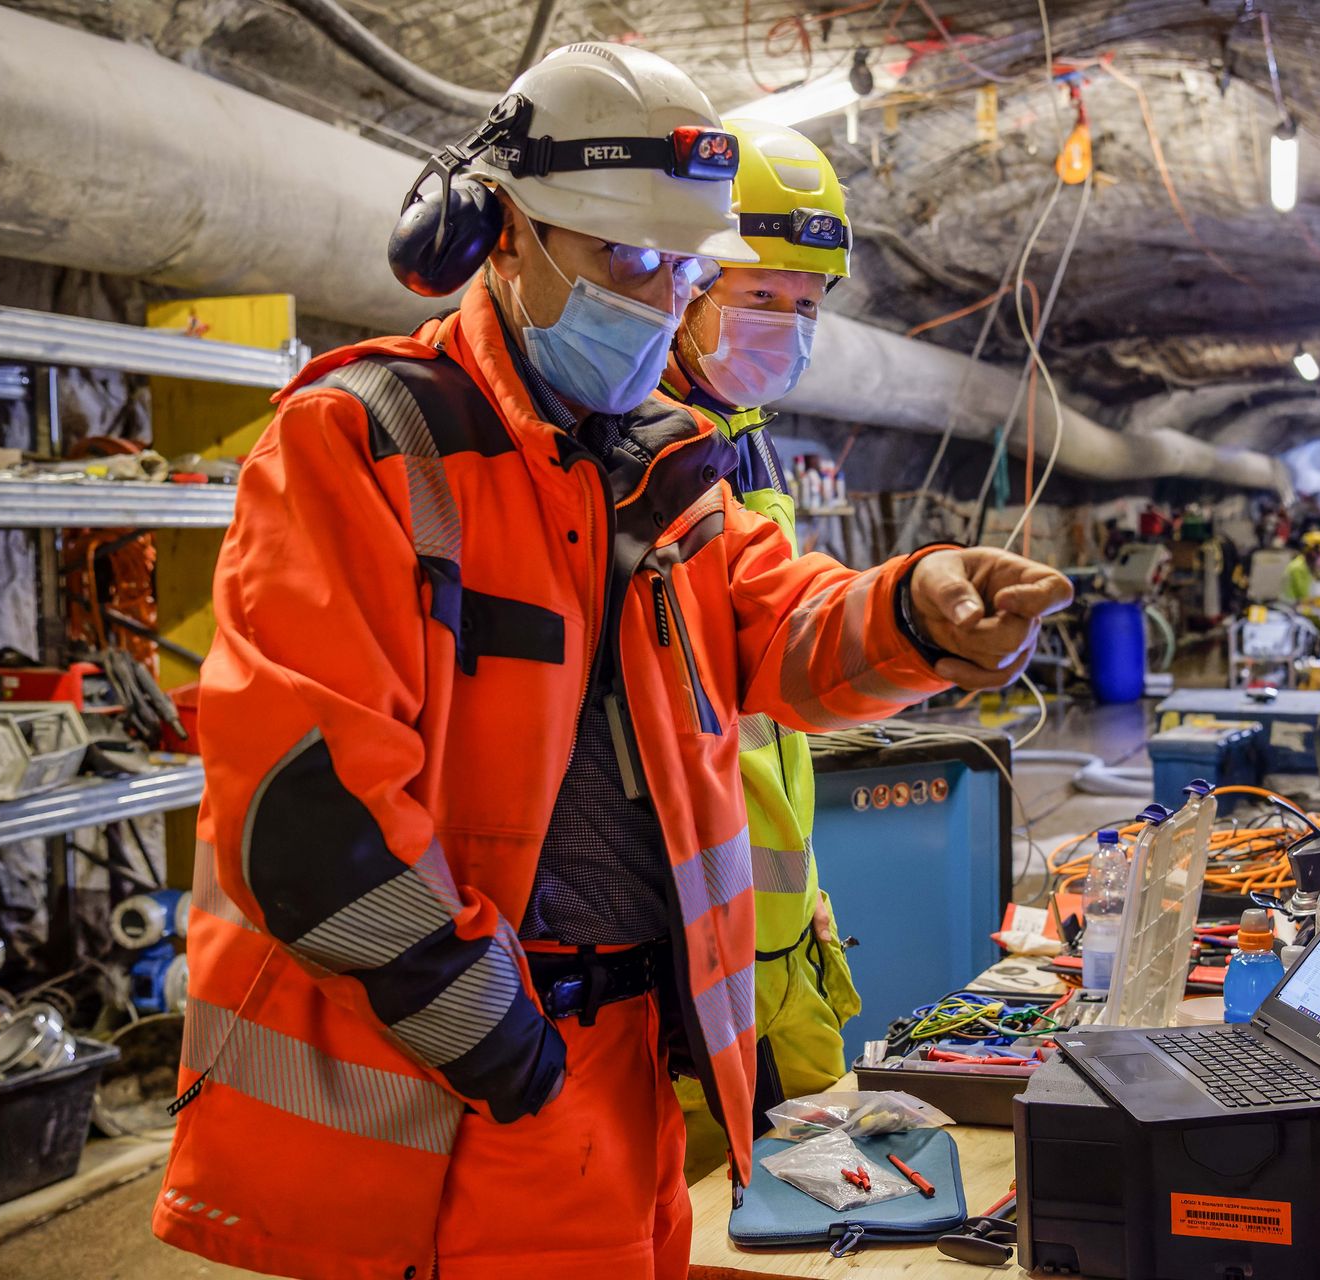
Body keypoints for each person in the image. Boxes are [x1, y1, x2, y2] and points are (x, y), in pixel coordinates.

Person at [151, 43, 1071, 1280]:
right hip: (453, 1089)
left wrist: (917, 608)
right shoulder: (365, 443)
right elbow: (304, 805)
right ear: (504, 234)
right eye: (625, 256)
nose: (655, 296)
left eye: (682, 266)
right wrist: (503, 1045)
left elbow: (777, 622)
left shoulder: (661, 464)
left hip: (635, 1058)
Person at [654, 118, 860, 1182]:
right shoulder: (638, 447)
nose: (785, 327)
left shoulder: (742, 433)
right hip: (689, 954)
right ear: (682, 284)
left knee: (807, 1191)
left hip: (778, 932)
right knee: (697, 1213)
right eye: (760, 296)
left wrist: (808, 881)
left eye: (806, 306)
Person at [1283, 529, 1320, 605]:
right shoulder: (1298, 567)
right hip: (1292, 609)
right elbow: (1304, 597)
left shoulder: (1309, 566)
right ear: (1312, 552)